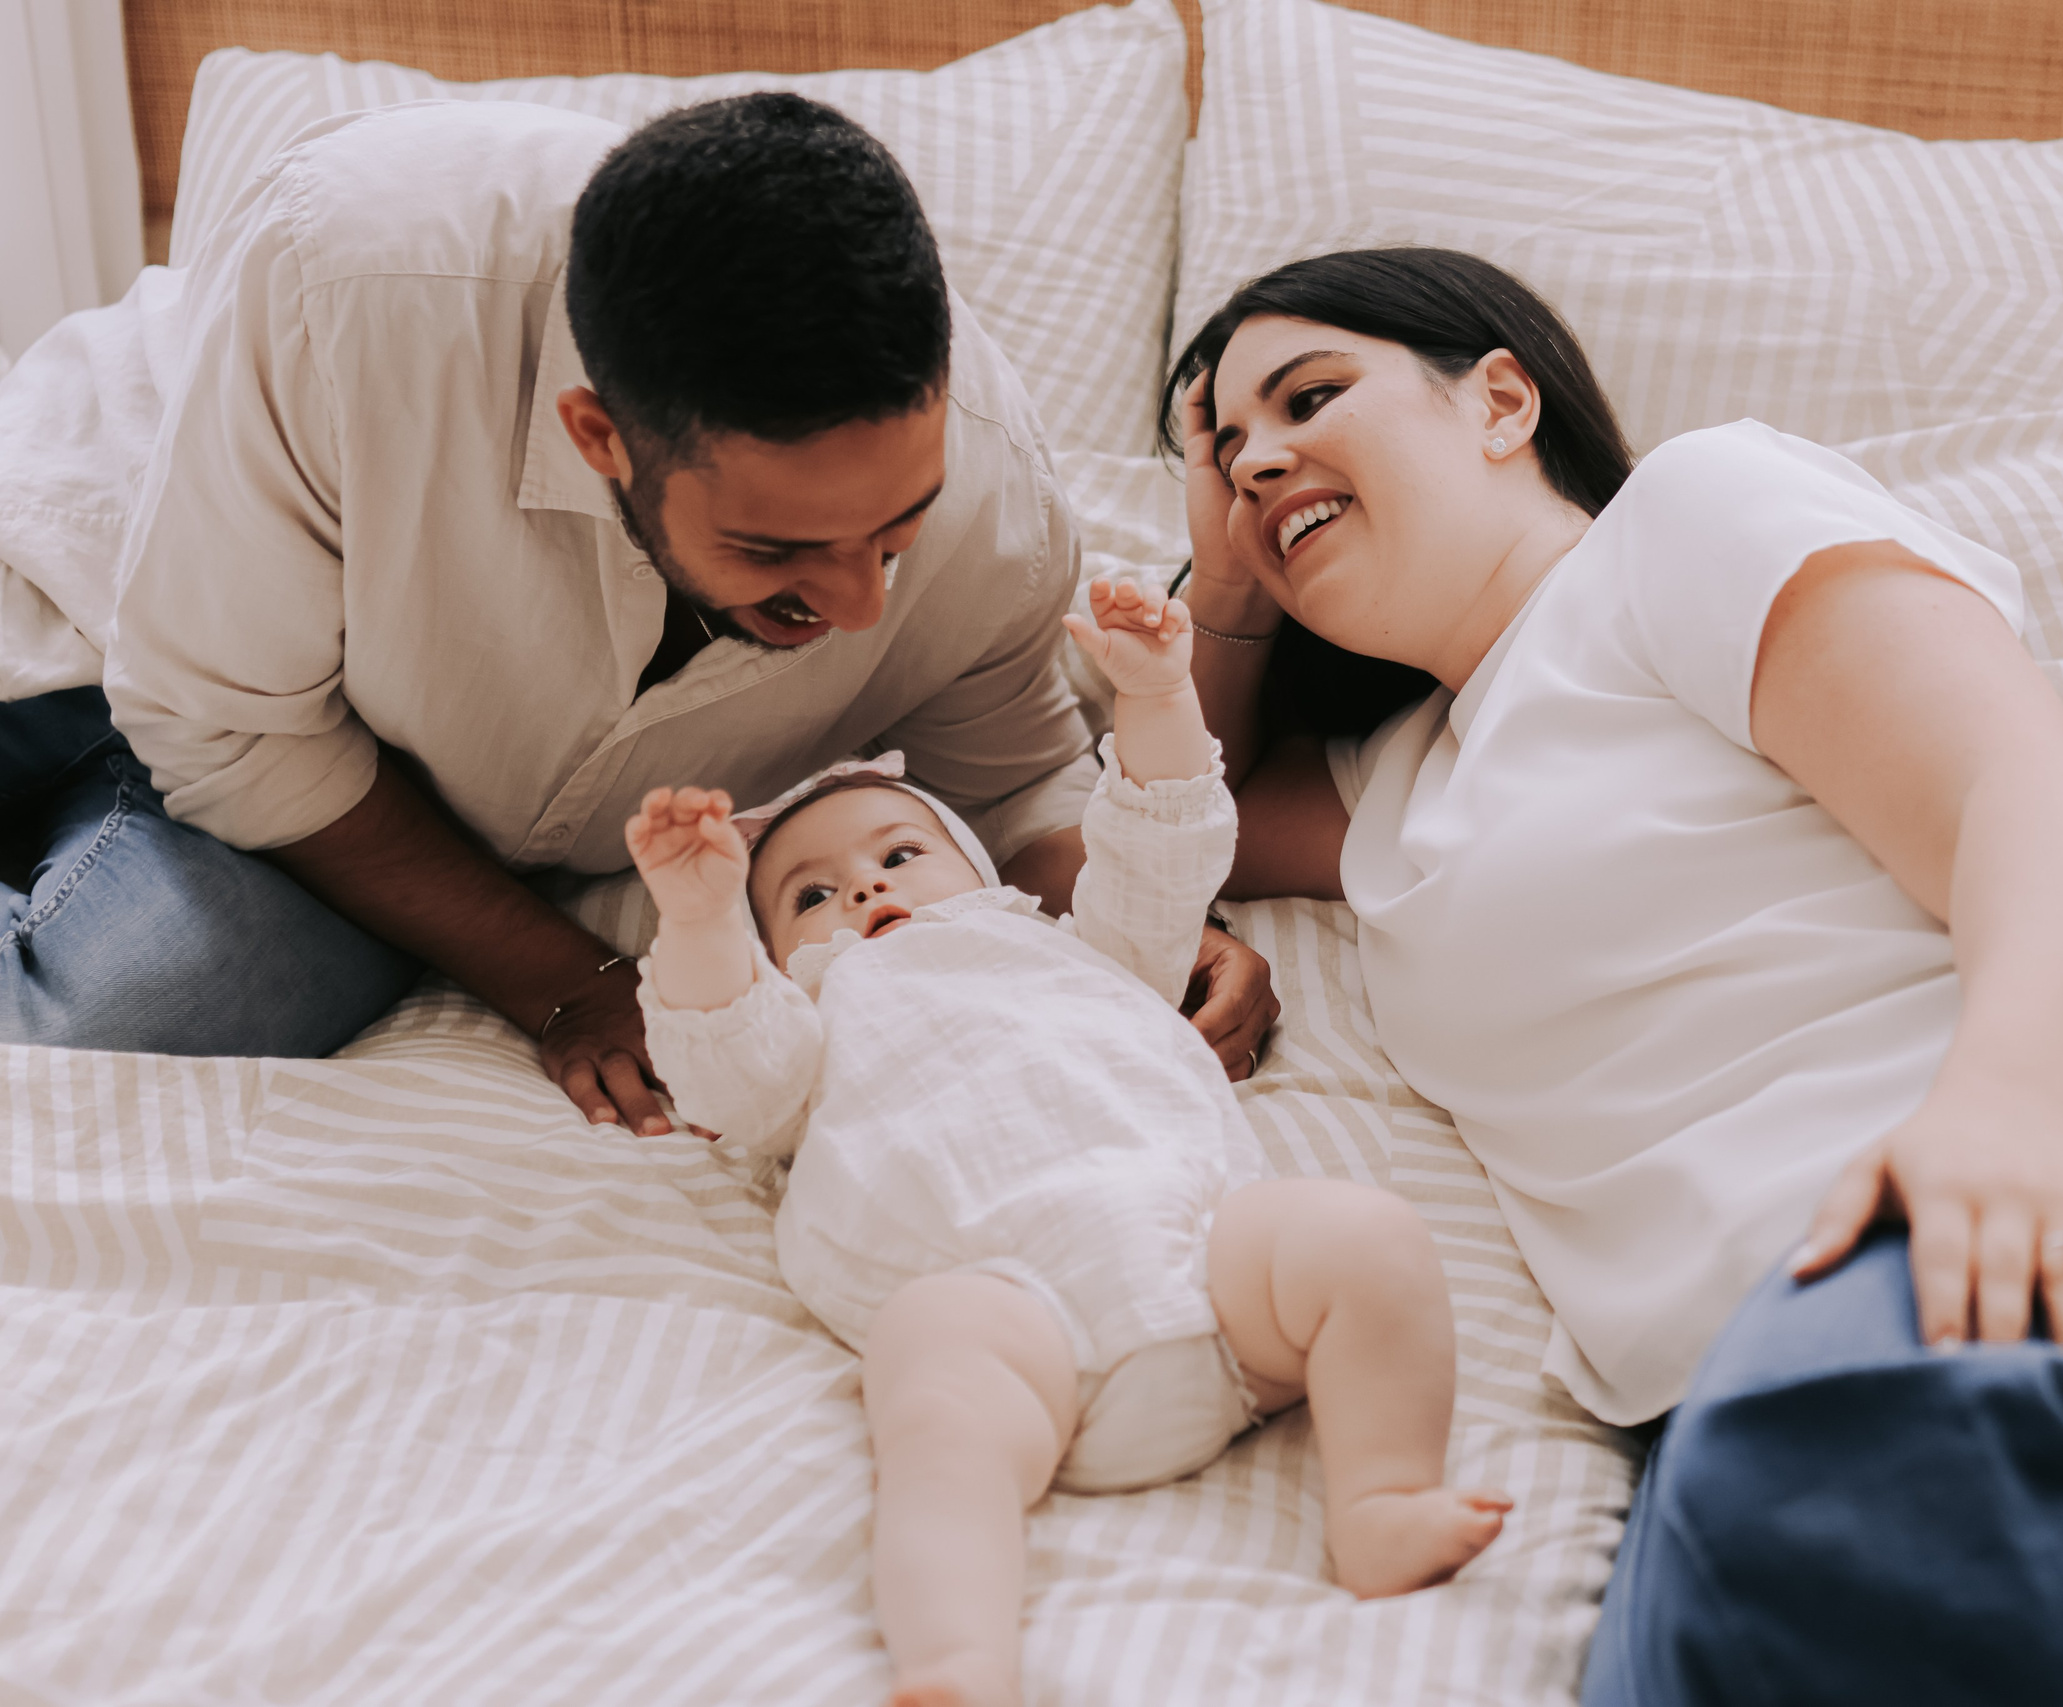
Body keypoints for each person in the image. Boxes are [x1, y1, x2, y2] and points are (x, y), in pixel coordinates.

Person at [1168, 246, 2063, 1704]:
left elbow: (2015, 792)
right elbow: (1157, 818)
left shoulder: (1681, 525)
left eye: (1308, 395)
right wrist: (1233, 566)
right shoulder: (1390, 786)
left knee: (1815, 1496)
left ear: (1502, 401)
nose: (1260, 457)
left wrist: (2005, 1108)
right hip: (1810, 1369)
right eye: (1221, 447)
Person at [0, 92, 1274, 1115]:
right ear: (601, 435)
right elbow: (216, 713)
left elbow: (1004, 791)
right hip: (83, 582)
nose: (859, 603)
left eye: (897, 530)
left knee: (135, 1013)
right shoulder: (358, 272)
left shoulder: (997, 513)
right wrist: (573, 986)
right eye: (779, 547)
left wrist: (1164, 934)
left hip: (326, 795)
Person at [626, 573, 1509, 1707]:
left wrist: (1151, 696)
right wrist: (700, 922)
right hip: (1002, 1317)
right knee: (933, 1405)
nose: (862, 890)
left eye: (900, 855)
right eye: (808, 896)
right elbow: (721, 1068)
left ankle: (1382, 1501)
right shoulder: (805, 1023)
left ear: (978, 872)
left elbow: (1160, 848)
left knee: (1365, 1237)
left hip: (1204, 1264)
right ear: (778, 953)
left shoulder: (1080, 947)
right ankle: (957, 1660)